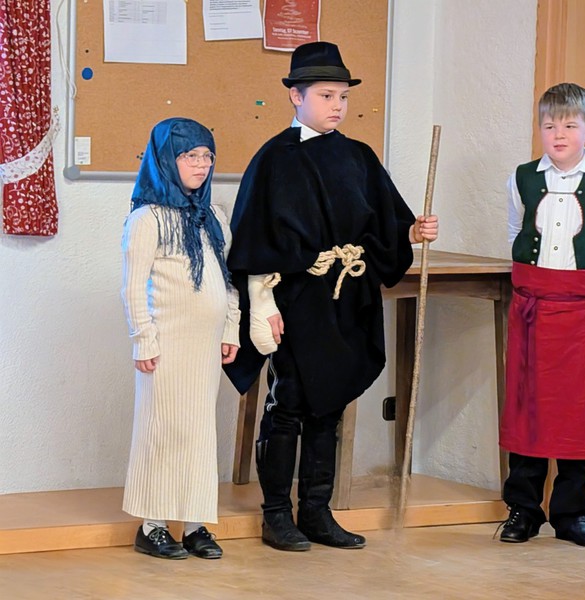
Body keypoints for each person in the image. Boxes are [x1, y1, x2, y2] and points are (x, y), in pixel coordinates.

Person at [224, 41, 439, 552]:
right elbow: (253, 241)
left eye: (343, 96)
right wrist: (263, 306)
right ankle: (277, 515)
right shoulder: (273, 160)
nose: (337, 105)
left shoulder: (358, 156)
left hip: (348, 297)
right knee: (291, 401)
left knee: (331, 402)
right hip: (299, 299)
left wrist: (411, 233)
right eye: (326, 95)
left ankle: (317, 512)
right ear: (296, 96)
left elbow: (384, 224)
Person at [498, 83, 585, 547]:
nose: (558, 134)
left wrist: (572, 283)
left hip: (583, 313)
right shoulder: (522, 178)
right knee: (527, 408)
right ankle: (523, 510)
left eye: (569, 126)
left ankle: (573, 514)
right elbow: (515, 229)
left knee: (581, 410)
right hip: (533, 309)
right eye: (549, 125)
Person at [121, 117, 240, 559]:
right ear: (166, 160)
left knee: (198, 431)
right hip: (166, 345)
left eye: (208, 156)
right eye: (191, 156)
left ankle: (194, 523)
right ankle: (152, 524)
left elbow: (227, 280)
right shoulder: (147, 219)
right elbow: (133, 286)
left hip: (204, 348)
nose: (202, 165)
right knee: (163, 429)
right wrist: (143, 339)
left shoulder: (212, 218)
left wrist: (230, 327)